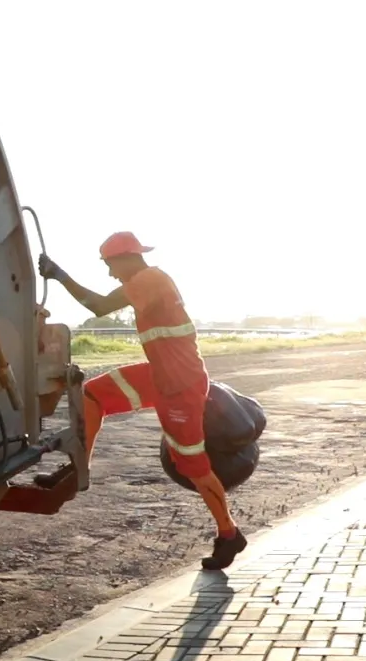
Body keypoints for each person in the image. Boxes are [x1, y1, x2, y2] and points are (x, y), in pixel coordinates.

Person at [37, 232, 246, 571]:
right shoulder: (149, 281)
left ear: (127, 258)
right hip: (160, 376)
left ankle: (229, 533)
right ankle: (79, 470)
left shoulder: (150, 279)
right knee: (93, 394)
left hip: (181, 387)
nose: (110, 274)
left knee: (192, 467)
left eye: (109, 266)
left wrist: (60, 276)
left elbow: (99, 306)